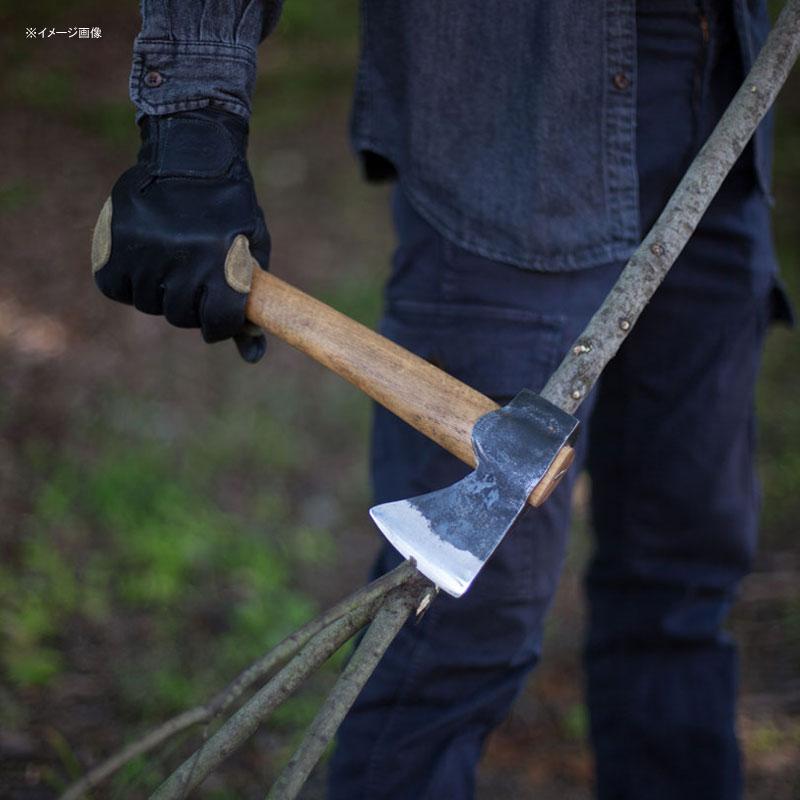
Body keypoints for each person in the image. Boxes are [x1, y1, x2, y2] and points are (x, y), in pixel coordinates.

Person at [92, 1, 793, 798]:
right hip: (513, 122)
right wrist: (193, 120)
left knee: (685, 576)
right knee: (454, 629)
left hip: (726, 102)